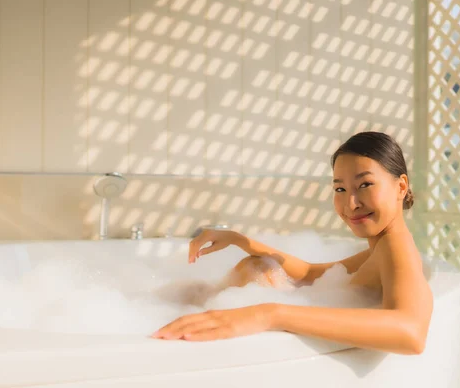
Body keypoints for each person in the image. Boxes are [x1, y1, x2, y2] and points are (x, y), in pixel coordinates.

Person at [151, 131, 434, 355]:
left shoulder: (397, 248)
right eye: (340, 188)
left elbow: (410, 332)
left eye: (365, 185)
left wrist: (270, 314)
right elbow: (312, 273)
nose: (351, 203)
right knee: (257, 267)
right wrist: (241, 240)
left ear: (400, 186)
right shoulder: (381, 245)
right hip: (241, 301)